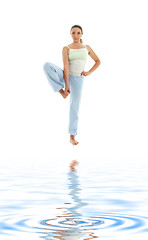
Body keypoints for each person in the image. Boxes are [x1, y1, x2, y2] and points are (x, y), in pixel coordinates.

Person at [43, 25, 101, 145]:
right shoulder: (66, 48)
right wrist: (66, 85)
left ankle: (72, 136)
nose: (75, 35)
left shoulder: (87, 48)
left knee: (74, 107)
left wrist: (89, 72)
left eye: (78, 33)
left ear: (82, 34)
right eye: (73, 33)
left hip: (78, 79)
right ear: (70, 34)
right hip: (66, 74)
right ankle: (61, 92)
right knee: (47, 65)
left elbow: (98, 61)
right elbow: (65, 66)